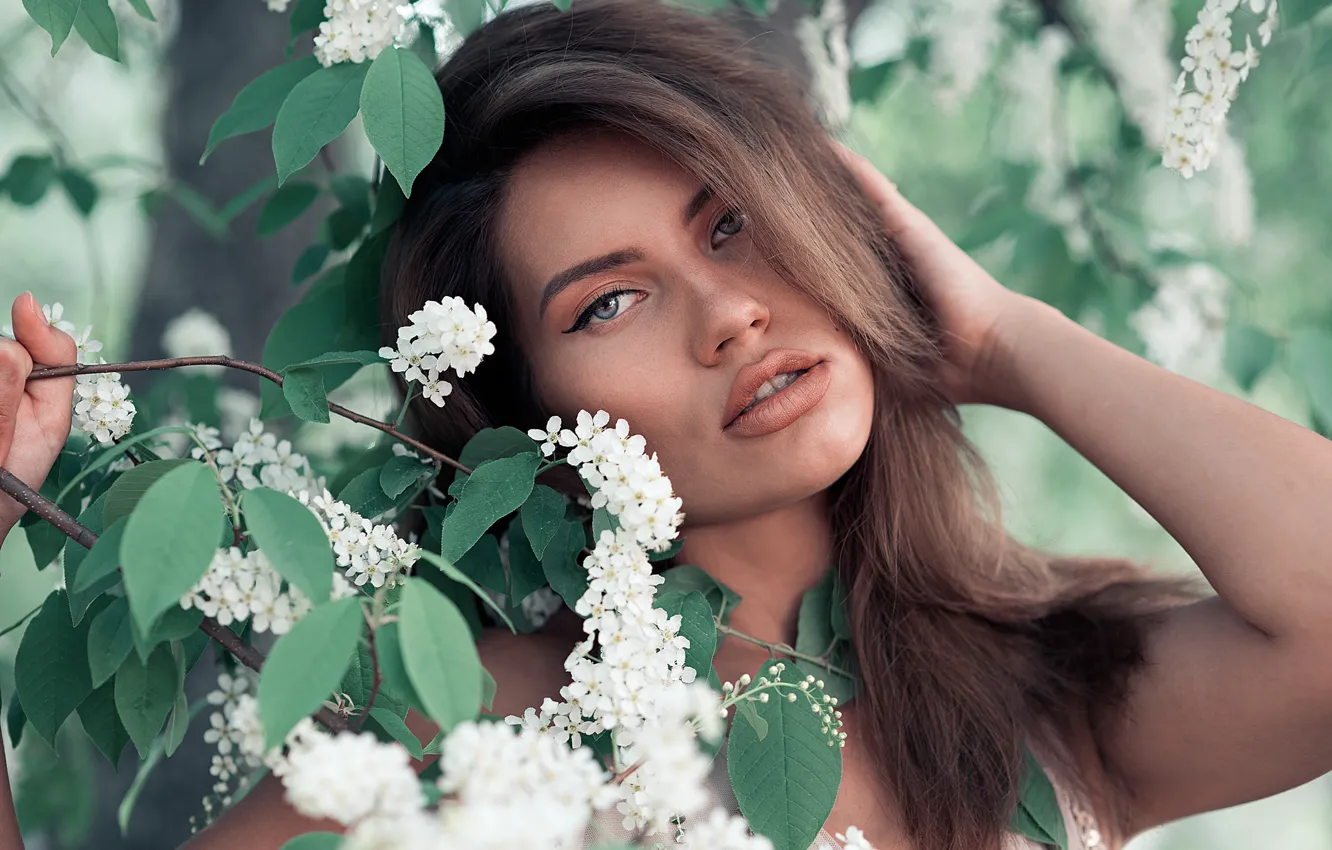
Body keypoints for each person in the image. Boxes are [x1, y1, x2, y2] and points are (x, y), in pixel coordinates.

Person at [4, 0, 1332, 847]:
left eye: (735, 222)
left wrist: (997, 337)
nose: (729, 314)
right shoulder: (484, 744)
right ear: (525, 416)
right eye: (610, 302)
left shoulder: (1047, 694)